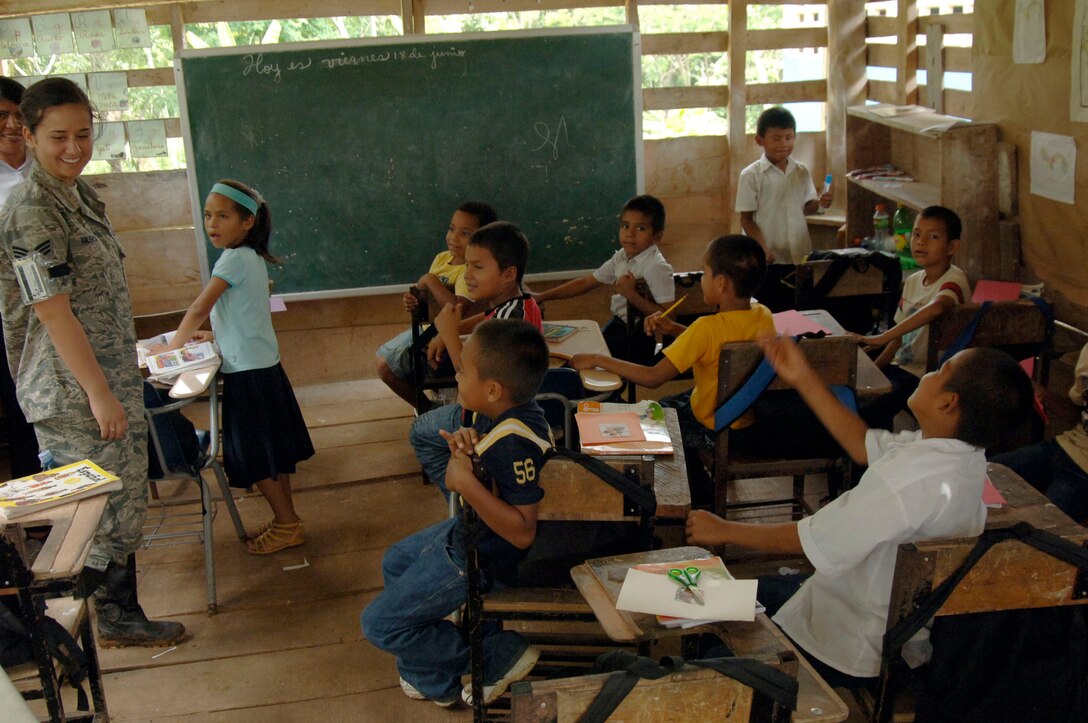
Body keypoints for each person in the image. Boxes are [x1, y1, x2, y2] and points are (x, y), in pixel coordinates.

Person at [686, 336, 1035, 688]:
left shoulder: (908, 480)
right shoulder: (959, 457)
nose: (928, 373)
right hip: (883, 621)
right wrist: (803, 377)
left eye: (940, 370)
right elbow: (861, 444)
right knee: (720, 600)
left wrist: (724, 530)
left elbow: (813, 541)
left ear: (948, 402)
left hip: (849, 643)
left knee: (715, 647)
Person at [0, 77, 184, 646]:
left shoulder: (77, 193)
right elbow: (54, 314)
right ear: (27, 135)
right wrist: (99, 393)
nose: (74, 148)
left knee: (123, 495)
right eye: (58, 137)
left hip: (104, 374)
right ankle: (69, 631)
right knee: (92, 509)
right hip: (71, 388)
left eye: (84, 134)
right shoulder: (30, 210)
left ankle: (116, 614)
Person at [362, 319, 552, 707]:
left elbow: (522, 531)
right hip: (471, 533)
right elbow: (494, 466)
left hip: (481, 555)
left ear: (493, 389)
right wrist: (468, 450)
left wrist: (464, 482)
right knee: (396, 561)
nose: (456, 374)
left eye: (462, 370)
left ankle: (493, 654)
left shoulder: (512, 441)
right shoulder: (509, 416)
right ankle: (433, 680)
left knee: (380, 625)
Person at [153, 179, 314, 554]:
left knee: (256, 455)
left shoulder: (233, 259)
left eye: (223, 216)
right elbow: (247, 315)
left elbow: (198, 308)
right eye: (209, 215)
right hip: (262, 369)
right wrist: (215, 337)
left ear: (248, 222)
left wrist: (169, 353)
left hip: (249, 376)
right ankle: (286, 518)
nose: (213, 223)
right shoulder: (251, 258)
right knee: (273, 453)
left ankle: (288, 523)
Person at [569, 234, 776, 503]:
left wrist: (600, 359)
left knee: (656, 414)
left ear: (721, 283)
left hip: (711, 426)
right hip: (745, 419)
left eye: (705, 272)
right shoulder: (764, 315)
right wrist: (676, 330)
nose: (702, 278)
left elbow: (653, 377)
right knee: (670, 404)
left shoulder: (706, 328)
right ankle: (699, 484)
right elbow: (719, 342)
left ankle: (699, 494)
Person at [409, 221, 542, 497]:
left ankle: (463, 501)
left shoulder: (509, 319)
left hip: (492, 415)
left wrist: (448, 333)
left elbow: (473, 379)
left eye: (478, 267)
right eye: (467, 266)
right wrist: (452, 331)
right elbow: (488, 321)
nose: (467, 275)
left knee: (420, 430)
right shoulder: (519, 304)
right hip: (503, 406)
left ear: (508, 274)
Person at [853, 206, 971, 431]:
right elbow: (898, 338)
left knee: (874, 408)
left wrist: (883, 337)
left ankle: (875, 458)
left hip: (926, 375)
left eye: (933, 236)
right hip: (901, 367)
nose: (921, 242)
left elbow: (937, 309)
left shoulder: (954, 279)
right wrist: (875, 369)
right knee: (858, 394)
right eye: (916, 234)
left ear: (953, 247)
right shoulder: (913, 281)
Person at [376, 201, 498, 408]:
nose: (453, 237)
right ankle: (429, 408)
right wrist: (414, 301)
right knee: (382, 360)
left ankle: (428, 410)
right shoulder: (442, 259)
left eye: (465, 233)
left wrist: (430, 280)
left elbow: (455, 309)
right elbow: (426, 296)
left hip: (446, 332)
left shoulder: (470, 272)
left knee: (385, 366)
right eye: (451, 229)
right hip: (428, 328)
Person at [533, 194, 674, 362]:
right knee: (577, 360)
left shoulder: (656, 267)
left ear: (657, 236)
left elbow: (669, 318)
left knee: (584, 365)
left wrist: (630, 295)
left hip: (638, 339)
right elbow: (587, 282)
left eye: (640, 228)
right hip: (618, 327)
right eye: (625, 226)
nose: (630, 234)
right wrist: (542, 296)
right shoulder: (622, 256)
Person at [736, 106, 832, 313]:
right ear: (760, 141)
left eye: (789, 138)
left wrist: (820, 203)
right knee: (770, 311)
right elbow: (746, 219)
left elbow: (806, 207)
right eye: (776, 138)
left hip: (798, 256)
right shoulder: (751, 175)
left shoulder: (800, 171)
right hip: (767, 260)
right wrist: (762, 248)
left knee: (798, 311)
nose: (784, 144)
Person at [991, 342, 1088, 522]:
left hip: (1083, 473)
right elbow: (1075, 412)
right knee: (975, 478)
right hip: (1061, 447)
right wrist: (1041, 393)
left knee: (1040, 532)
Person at [0, 76, 40, 478]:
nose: (11, 125)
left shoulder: (47, 167)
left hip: (52, 307)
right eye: (1, 116)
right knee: (17, 406)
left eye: (18, 115)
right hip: (6, 313)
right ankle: (38, 517)